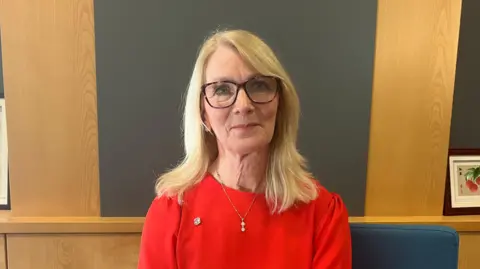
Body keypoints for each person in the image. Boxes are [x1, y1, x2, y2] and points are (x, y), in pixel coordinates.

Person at [137, 29, 352, 269]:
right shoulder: (170, 213)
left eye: (259, 85)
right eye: (222, 89)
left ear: (280, 104)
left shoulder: (322, 213)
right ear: (203, 113)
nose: (243, 105)